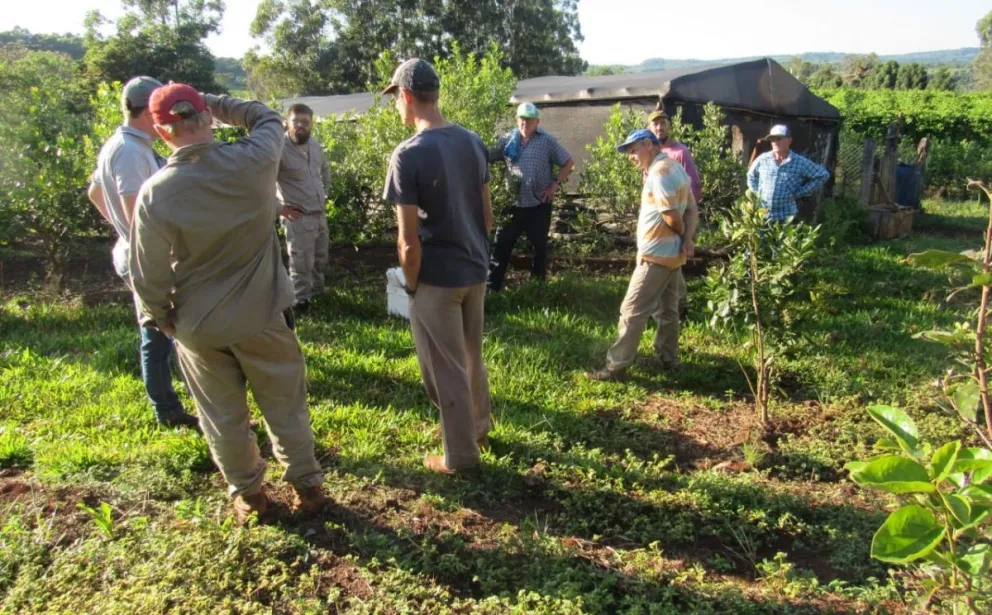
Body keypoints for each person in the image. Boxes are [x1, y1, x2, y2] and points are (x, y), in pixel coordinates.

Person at [129, 83, 326, 522]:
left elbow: (148, 275)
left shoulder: (155, 193)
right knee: (285, 405)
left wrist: (163, 318)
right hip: (263, 315)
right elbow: (266, 116)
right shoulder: (253, 160)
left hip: (199, 326)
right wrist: (211, 99)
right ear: (209, 120)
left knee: (221, 416)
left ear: (162, 133)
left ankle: (250, 495)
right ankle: (307, 485)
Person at [381, 58, 493, 474]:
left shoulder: (408, 154)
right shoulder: (472, 141)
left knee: (444, 370)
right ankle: (478, 427)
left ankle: (460, 457)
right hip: (475, 269)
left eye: (395, 98)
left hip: (436, 280)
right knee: (470, 355)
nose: (395, 106)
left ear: (407, 96)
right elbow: (487, 217)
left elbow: (408, 240)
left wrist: (411, 287)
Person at [87, 76, 198, 430]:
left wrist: (120, 228)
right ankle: (167, 410)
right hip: (149, 258)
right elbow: (138, 211)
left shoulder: (123, 144)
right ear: (147, 110)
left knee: (162, 333)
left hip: (138, 250)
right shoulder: (132, 151)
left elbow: (94, 192)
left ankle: (170, 404)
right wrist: (131, 232)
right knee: (158, 335)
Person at [587, 129, 698, 381]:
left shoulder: (660, 172)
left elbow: (671, 215)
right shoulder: (674, 167)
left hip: (656, 256)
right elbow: (692, 208)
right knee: (668, 311)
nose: (631, 157)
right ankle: (669, 360)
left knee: (632, 311)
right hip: (672, 257)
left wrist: (683, 235)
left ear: (648, 144)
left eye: (633, 150)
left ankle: (615, 368)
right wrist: (688, 239)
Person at [486, 102, 573, 292]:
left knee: (540, 248)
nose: (525, 123)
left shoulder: (546, 141)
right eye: (522, 119)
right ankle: (493, 288)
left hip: (539, 204)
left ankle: (537, 288)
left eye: (529, 120)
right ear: (517, 120)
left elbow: (568, 162)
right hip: (513, 204)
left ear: (537, 122)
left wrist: (555, 184)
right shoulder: (508, 140)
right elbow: (487, 157)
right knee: (501, 246)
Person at [276, 103, 332, 315]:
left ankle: (317, 293)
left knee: (320, 258)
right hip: (297, 217)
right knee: (301, 262)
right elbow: (264, 181)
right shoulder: (279, 149)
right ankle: (300, 302)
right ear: (287, 123)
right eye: (296, 121)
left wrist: (322, 194)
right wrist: (280, 208)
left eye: (305, 122)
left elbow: (325, 171)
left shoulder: (315, 146)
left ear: (311, 124)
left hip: (318, 215)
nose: (300, 126)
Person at [648, 109, 701, 317]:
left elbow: (693, 187)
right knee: (669, 263)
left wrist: (687, 221)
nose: (659, 128)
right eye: (655, 124)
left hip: (676, 217)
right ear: (650, 129)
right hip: (658, 220)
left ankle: (676, 307)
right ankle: (675, 308)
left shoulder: (679, 153)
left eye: (663, 123)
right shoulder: (651, 154)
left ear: (669, 126)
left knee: (672, 261)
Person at [747, 124, 830, 222]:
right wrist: (757, 194)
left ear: (789, 140)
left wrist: (801, 192)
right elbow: (751, 176)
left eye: (779, 138)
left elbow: (823, 175)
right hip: (762, 215)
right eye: (773, 139)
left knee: (784, 237)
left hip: (786, 216)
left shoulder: (800, 162)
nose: (775, 142)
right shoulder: (762, 159)